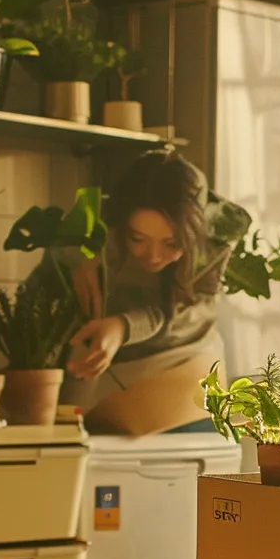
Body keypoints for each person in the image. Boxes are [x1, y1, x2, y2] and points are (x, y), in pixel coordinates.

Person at [53, 149, 248, 436]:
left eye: (171, 243)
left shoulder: (213, 245)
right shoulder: (95, 229)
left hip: (186, 371)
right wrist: (76, 257)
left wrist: (122, 327)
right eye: (138, 239)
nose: (154, 256)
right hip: (111, 382)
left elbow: (172, 311)